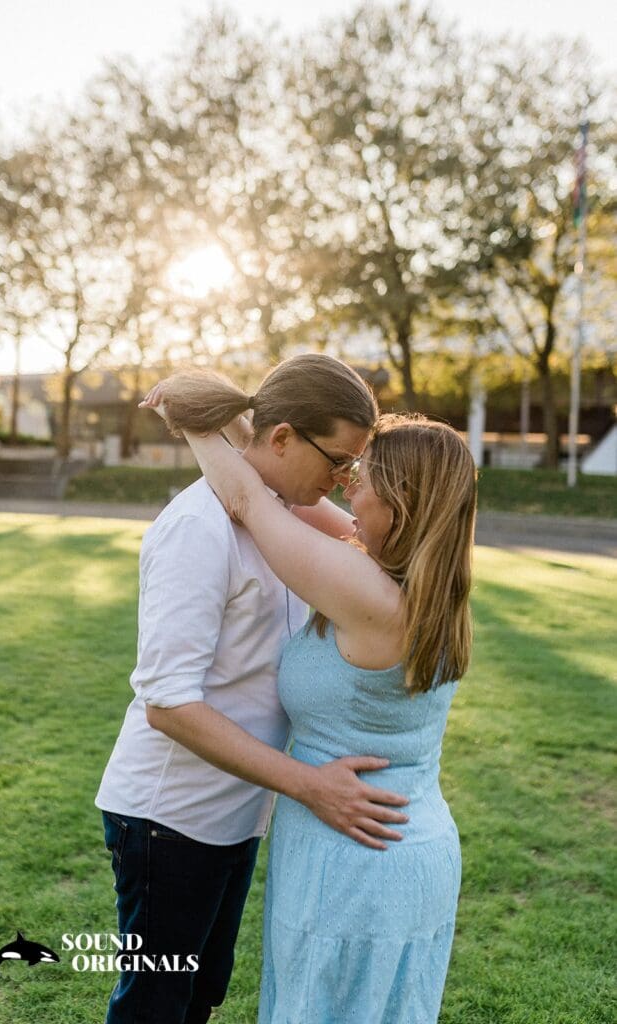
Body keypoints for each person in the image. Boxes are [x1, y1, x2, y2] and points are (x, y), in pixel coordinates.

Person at [142, 377, 477, 1024]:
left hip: (359, 860)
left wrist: (189, 413)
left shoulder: (367, 593)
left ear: (401, 500)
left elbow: (244, 494)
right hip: (397, 843)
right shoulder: (419, 578)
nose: (349, 483)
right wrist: (263, 424)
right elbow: (278, 486)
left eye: (364, 474)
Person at [95, 354, 411, 1024]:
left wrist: (208, 425)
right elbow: (168, 706)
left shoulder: (279, 510)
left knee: (201, 994)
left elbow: (365, 536)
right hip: (168, 819)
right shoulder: (196, 529)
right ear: (281, 438)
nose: (343, 480)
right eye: (338, 461)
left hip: (234, 814)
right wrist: (309, 784)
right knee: (156, 1004)